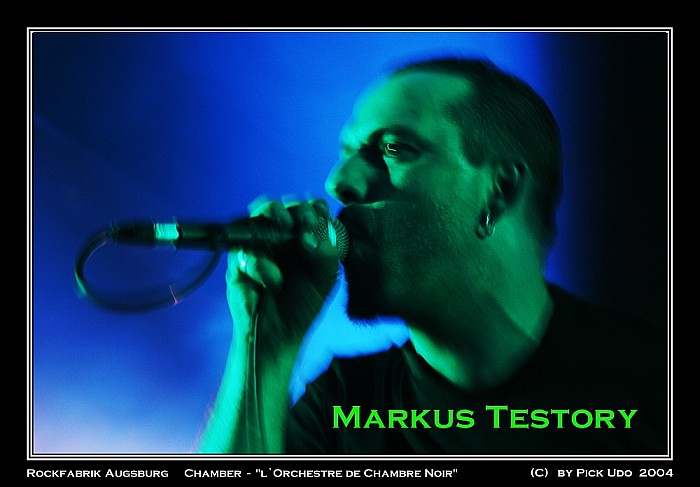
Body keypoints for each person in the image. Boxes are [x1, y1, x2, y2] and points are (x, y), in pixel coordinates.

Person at [195, 56, 667, 455]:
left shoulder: (652, 380)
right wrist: (264, 349)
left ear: (499, 191)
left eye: (394, 148)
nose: (339, 183)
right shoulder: (344, 407)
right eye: (348, 152)